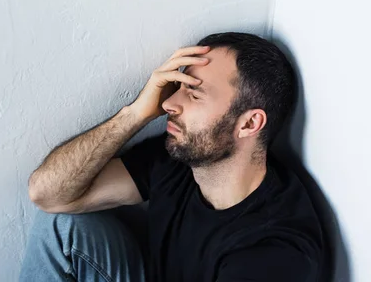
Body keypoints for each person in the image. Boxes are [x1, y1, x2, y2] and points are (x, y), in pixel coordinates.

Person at [19, 32, 324, 282]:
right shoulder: (182, 157)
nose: (168, 103)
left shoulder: (276, 255)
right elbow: (48, 195)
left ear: (249, 124)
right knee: (64, 225)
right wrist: (134, 115)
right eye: (178, 86)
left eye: (194, 94)